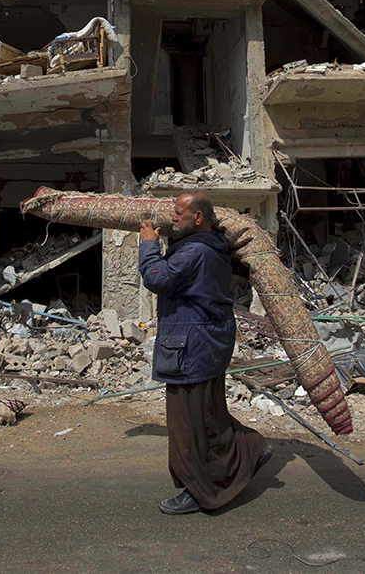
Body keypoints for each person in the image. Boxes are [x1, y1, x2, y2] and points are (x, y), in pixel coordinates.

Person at [139, 192, 272, 515]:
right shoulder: (208, 246)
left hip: (191, 346)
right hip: (206, 341)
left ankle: (200, 491)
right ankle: (249, 448)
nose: (173, 217)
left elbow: (157, 278)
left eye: (179, 213)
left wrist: (147, 246)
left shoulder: (196, 251)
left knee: (187, 425)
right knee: (208, 414)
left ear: (198, 218)